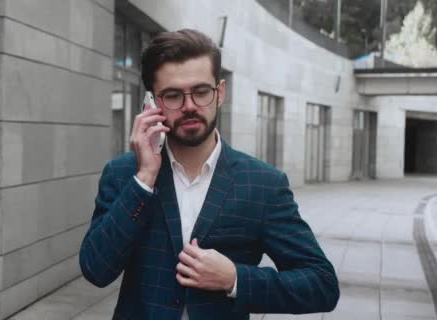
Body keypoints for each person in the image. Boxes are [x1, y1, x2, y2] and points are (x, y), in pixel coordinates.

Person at [79, 29, 339, 320]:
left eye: (201, 91)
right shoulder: (124, 175)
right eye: (173, 95)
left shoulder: (263, 184)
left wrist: (235, 279)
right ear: (152, 103)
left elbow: (322, 284)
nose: (190, 106)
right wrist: (144, 180)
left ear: (221, 92)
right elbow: (95, 269)